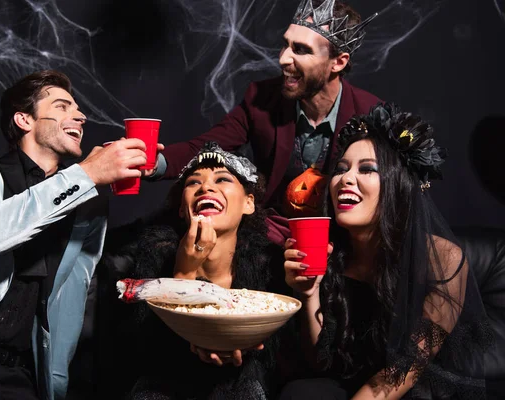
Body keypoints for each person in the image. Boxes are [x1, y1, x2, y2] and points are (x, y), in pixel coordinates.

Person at [0, 69, 151, 400]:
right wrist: (87, 173)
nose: (79, 115)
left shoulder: (85, 202)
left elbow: (75, 287)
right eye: (63, 106)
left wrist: (152, 165)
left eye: (78, 110)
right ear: (24, 120)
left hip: (20, 373)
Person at [280, 103, 493, 399]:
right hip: (347, 384)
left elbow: (406, 368)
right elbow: (321, 362)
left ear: (398, 185)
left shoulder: (444, 258)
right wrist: (308, 292)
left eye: (367, 169)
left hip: (411, 387)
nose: (345, 179)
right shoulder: (328, 250)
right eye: (341, 170)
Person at [149, 0, 381, 245]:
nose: (283, 59)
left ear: (339, 62)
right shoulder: (262, 99)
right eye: (285, 45)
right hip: (269, 237)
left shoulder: (370, 113)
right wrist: (154, 162)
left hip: (342, 242)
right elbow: (207, 147)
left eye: (301, 50)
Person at [101, 142, 291, 399]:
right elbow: (142, 346)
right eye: (193, 182)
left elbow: (273, 351)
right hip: (167, 377)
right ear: (182, 208)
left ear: (249, 203)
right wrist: (184, 272)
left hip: (239, 378)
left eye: (222, 179)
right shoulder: (157, 250)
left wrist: (240, 346)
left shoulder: (266, 260)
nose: (206, 187)